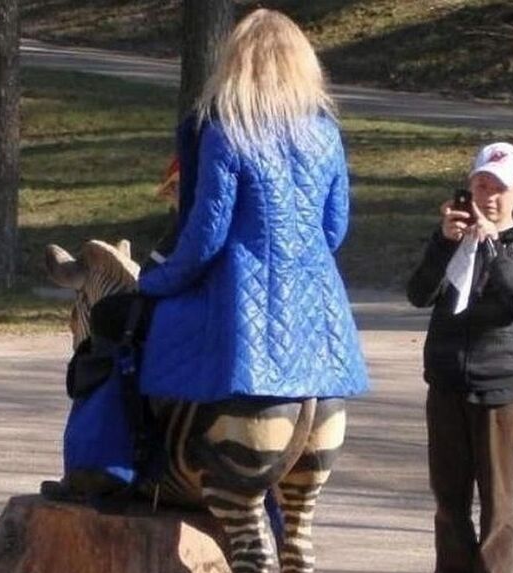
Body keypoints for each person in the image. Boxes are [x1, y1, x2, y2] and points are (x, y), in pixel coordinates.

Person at [138, 8, 368, 405]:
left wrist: (159, 281)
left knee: (138, 341)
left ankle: (125, 444)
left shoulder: (226, 134)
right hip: (318, 314)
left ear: (235, 64)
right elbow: (334, 228)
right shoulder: (326, 133)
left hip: (243, 315)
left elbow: (207, 236)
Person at [407, 142, 513, 573]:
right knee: (449, 497)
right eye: (481, 185)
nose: (488, 197)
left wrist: (494, 245)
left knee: (497, 498)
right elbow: (418, 294)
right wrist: (444, 241)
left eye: (499, 188)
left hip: (499, 385)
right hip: (447, 380)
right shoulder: (453, 239)